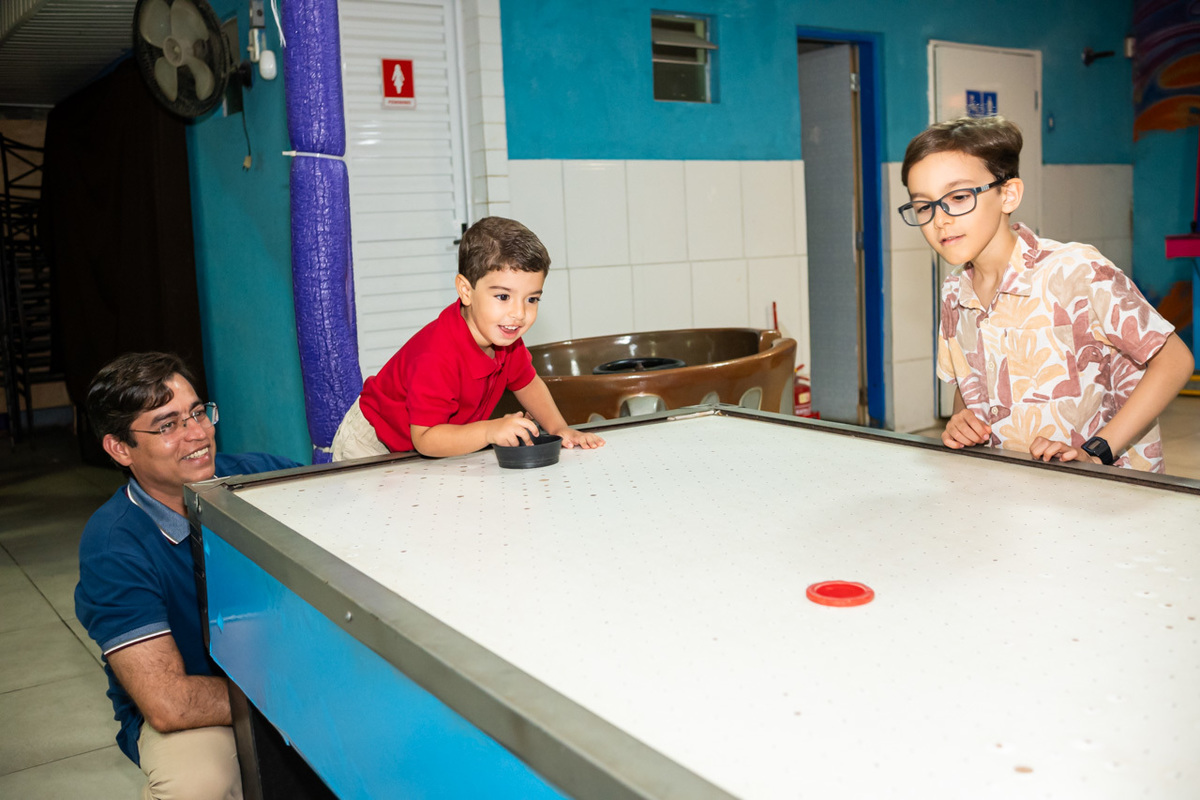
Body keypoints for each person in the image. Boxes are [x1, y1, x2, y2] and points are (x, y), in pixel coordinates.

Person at [899, 115, 1194, 472]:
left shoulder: (1075, 271)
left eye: (959, 197)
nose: (939, 219)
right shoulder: (954, 293)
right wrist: (963, 420)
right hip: (1014, 487)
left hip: (1107, 493)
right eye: (923, 206)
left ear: (1008, 194)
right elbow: (970, 382)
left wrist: (1096, 450)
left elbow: (1174, 361)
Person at [74, 352, 299, 799]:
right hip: (206, 709)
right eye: (167, 425)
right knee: (198, 784)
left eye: (198, 412)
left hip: (293, 675)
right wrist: (297, 701)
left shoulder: (262, 477)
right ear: (120, 448)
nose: (198, 434)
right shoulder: (113, 546)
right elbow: (168, 702)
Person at [332, 216, 606, 460]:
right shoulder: (438, 354)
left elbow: (528, 383)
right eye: (503, 296)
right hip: (371, 441)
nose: (519, 313)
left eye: (532, 299)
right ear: (466, 290)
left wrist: (559, 429)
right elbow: (426, 439)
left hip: (423, 443)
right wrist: (490, 430)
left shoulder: (505, 338)